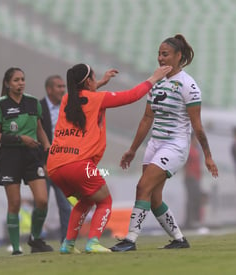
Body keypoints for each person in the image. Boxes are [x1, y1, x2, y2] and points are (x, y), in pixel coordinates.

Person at [47, 63, 172, 254]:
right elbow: (131, 96)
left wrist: (100, 84)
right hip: (78, 164)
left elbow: (82, 98)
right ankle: (93, 242)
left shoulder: (66, 100)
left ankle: (68, 244)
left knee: (87, 201)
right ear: (88, 81)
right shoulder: (97, 99)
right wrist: (153, 78)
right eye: (94, 78)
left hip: (55, 166)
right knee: (105, 201)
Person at [111, 34, 219, 252]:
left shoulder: (188, 85)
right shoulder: (156, 80)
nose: (160, 58)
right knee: (153, 198)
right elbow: (147, 118)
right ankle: (179, 239)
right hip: (155, 144)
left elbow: (197, 126)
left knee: (142, 186)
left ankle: (130, 240)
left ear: (178, 56)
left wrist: (207, 155)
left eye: (165, 54)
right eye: (159, 54)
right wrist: (132, 149)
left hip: (175, 146)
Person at [0, 67, 53, 255]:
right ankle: (16, 248)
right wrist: (20, 139)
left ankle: (35, 239)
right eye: (16, 80)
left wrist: (48, 147)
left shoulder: (33, 102)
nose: (21, 83)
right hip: (10, 157)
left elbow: (40, 129)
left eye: (22, 79)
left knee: (42, 200)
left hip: (33, 156)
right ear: (8, 83)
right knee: (15, 203)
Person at [40, 75, 72, 242]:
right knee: (41, 204)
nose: (62, 89)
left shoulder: (67, 108)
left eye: (63, 86)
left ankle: (66, 240)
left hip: (62, 165)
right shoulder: (38, 107)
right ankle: (36, 239)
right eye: (59, 86)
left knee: (65, 205)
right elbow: (36, 136)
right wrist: (43, 163)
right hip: (43, 165)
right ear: (49, 89)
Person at [183, 132, 203, 229]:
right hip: (191, 177)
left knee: (196, 199)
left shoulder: (196, 149)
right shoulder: (189, 149)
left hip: (196, 177)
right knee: (192, 199)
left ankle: (194, 220)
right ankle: (190, 221)